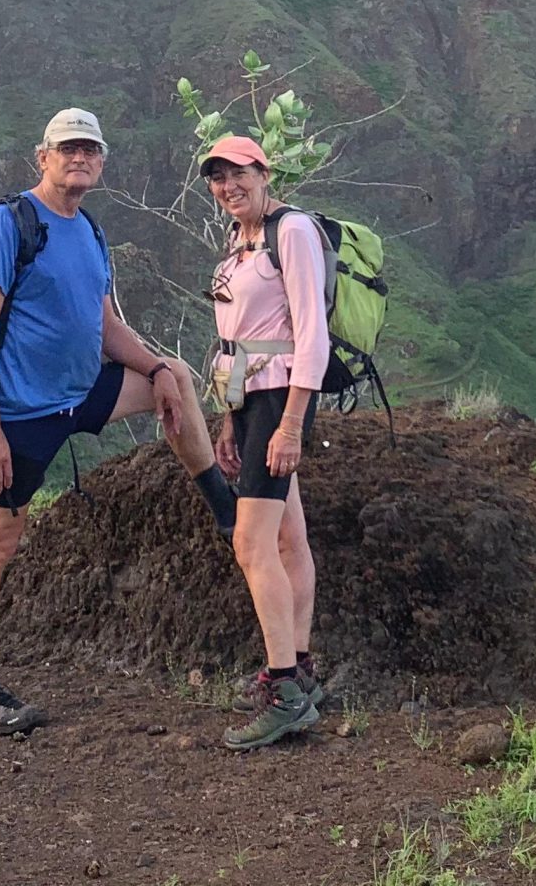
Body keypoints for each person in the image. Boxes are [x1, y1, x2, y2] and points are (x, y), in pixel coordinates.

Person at [0, 107, 237, 733]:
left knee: (176, 377)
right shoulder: (8, 225)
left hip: (80, 393)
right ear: (43, 157)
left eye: (89, 150)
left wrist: (156, 367)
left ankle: (225, 509)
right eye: (67, 149)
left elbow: (104, 326)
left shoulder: (89, 231)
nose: (78, 158)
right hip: (18, 413)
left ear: (101, 162)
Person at [199, 134, 329, 750]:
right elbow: (238, 338)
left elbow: (311, 335)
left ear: (264, 172)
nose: (229, 186)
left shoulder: (291, 231)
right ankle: (299, 669)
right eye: (217, 177)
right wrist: (230, 417)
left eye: (239, 174)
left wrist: (292, 425)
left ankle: (283, 694)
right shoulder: (241, 239)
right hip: (250, 400)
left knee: (251, 544)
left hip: (281, 399)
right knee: (286, 538)